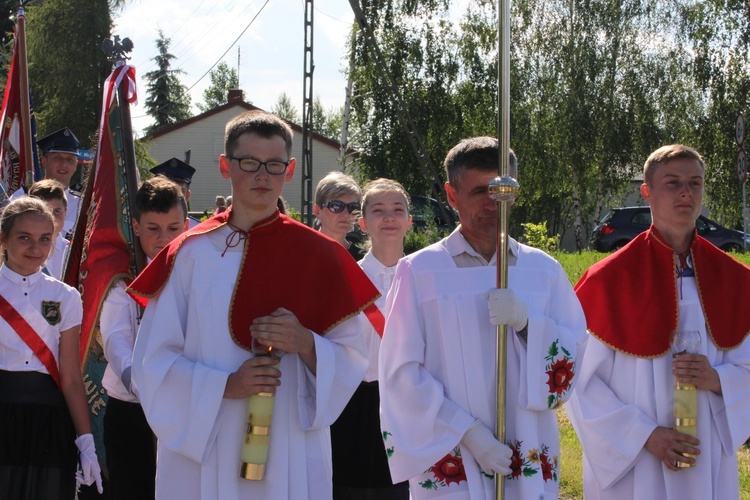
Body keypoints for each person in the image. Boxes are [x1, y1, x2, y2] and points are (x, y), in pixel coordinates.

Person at [127, 109, 379, 500]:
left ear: (290, 169)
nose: (262, 176)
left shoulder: (319, 255)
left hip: (288, 438)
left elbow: (353, 356)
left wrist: (307, 343)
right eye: (249, 163)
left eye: (274, 165)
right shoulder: (188, 255)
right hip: (206, 439)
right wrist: (224, 386)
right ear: (226, 165)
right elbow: (152, 361)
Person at [378, 136, 587, 499]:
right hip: (452, 449)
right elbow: (400, 371)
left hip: (527, 445)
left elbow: (575, 355)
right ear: (451, 194)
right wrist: (467, 432)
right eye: (480, 191)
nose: (494, 203)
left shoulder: (543, 271)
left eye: (503, 191)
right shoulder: (420, 271)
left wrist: (528, 325)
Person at [567, 144, 750, 500]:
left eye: (695, 183)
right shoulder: (607, 280)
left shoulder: (737, 280)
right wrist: (645, 436)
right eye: (673, 183)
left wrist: (719, 379)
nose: (686, 192)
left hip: (707, 450)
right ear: (646, 192)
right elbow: (579, 384)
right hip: (636, 462)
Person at [0, 197, 102, 498]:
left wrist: (86, 441)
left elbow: (70, 377)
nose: (36, 249)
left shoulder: (67, 296)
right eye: (24, 238)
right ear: (3, 238)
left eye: (45, 239)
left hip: (50, 422)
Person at [101, 177, 189, 499]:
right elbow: (116, 342)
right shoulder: (122, 277)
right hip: (132, 410)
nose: (163, 238)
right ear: (136, 227)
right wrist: (145, 386)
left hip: (185, 407)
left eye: (173, 228)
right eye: (153, 228)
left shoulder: (198, 273)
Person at [331, 178, 412, 499]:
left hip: (411, 404)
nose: (389, 217)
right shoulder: (347, 279)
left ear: (409, 220)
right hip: (359, 409)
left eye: (397, 210)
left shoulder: (426, 276)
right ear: (363, 223)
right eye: (379, 211)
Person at [12, 127, 83, 240]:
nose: (64, 164)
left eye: (70, 159)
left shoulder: (82, 204)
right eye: (57, 158)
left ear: (76, 165)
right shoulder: (22, 197)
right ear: (44, 161)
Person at [313, 171, 365, 260]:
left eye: (353, 207)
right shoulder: (301, 253)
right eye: (336, 206)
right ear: (318, 211)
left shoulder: (363, 261)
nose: (346, 214)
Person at [28, 179, 70, 280]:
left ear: (65, 213)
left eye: (57, 211)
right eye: (44, 211)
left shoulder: (72, 253)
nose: (51, 218)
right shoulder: (18, 249)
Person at [149, 157, 201, 228]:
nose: (172, 197)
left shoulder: (198, 231)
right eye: (166, 192)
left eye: (179, 193)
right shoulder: (145, 228)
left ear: (187, 196)